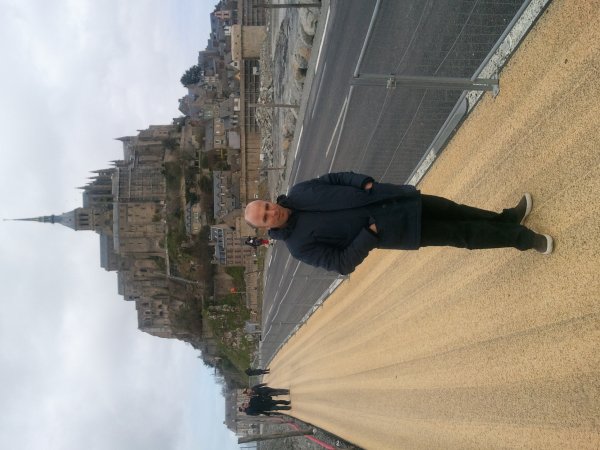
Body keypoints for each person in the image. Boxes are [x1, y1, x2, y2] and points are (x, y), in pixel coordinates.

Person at [244, 171, 554, 275]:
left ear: (269, 200)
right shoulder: (298, 247)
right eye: (266, 218)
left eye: (267, 207)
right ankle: (524, 240)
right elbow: (341, 263)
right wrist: (368, 235)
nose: (272, 213)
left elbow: (334, 178)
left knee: (457, 211)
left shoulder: (300, 191)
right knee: (462, 234)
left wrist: (363, 183)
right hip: (397, 230)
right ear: (264, 228)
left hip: (394, 199)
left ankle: (507, 219)